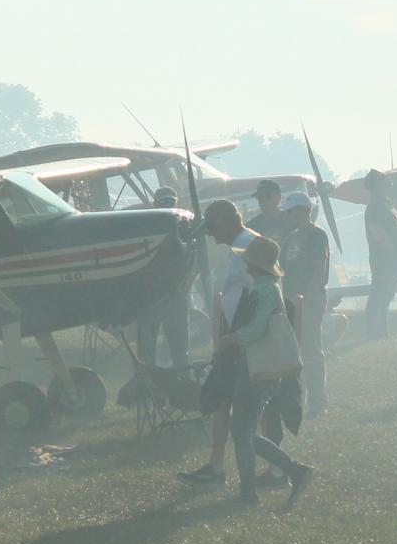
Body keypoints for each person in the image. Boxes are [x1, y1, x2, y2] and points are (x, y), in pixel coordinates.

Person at [224, 236, 314, 506]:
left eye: (248, 259)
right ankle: (293, 472)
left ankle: (250, 492)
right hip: (266, 369)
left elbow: (256, 330)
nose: (245, 263)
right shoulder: (270, 287)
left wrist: (232, 338)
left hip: (257, 368)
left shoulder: (262, 291)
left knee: (242, 432)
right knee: (245, 432)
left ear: (255, 264)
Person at [178, 199, 258, 486]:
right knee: (223, 401)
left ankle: (274, 470)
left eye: (212, 227)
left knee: (240, 406)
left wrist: (234, 338)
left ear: (225, 220)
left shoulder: (246, 246)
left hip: (242, 338)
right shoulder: (242, 245)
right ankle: (216, 466)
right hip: (235, 335)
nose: (210, 234)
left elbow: (257, 294)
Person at [278, 191, 331, 416]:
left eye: (293, 211)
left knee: (311, 351)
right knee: (294, 353)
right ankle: (297, 401)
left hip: (310, 299)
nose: (290, 215)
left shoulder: (317, 235)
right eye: (288, 212)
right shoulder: (291, 236)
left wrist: (307, 299)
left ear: (305, 210)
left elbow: (319, 270)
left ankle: (318, 404)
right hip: (290, 299)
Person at [134, 186, 193, 367]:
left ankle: (183, 376)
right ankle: (148, 380)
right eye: (163, 201)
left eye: (171, 201)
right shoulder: (144, 227)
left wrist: (187, 283)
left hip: (176, 294)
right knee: (146, 349)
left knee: (180, 348)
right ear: (155, 204)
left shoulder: (185, 226)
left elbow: (194, 257)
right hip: (151, 295)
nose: (168, 204)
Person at [362, 169, 397, 339]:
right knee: (380, 293)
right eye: (383, 178)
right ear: (377, 185)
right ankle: (374, 331)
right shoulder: (376, 206)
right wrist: (389, 250)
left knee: (387, 294)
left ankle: (381, 330)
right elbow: (376, 230)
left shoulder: (385, 203)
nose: (388, 180)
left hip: (394, 256)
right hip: (385, 257)